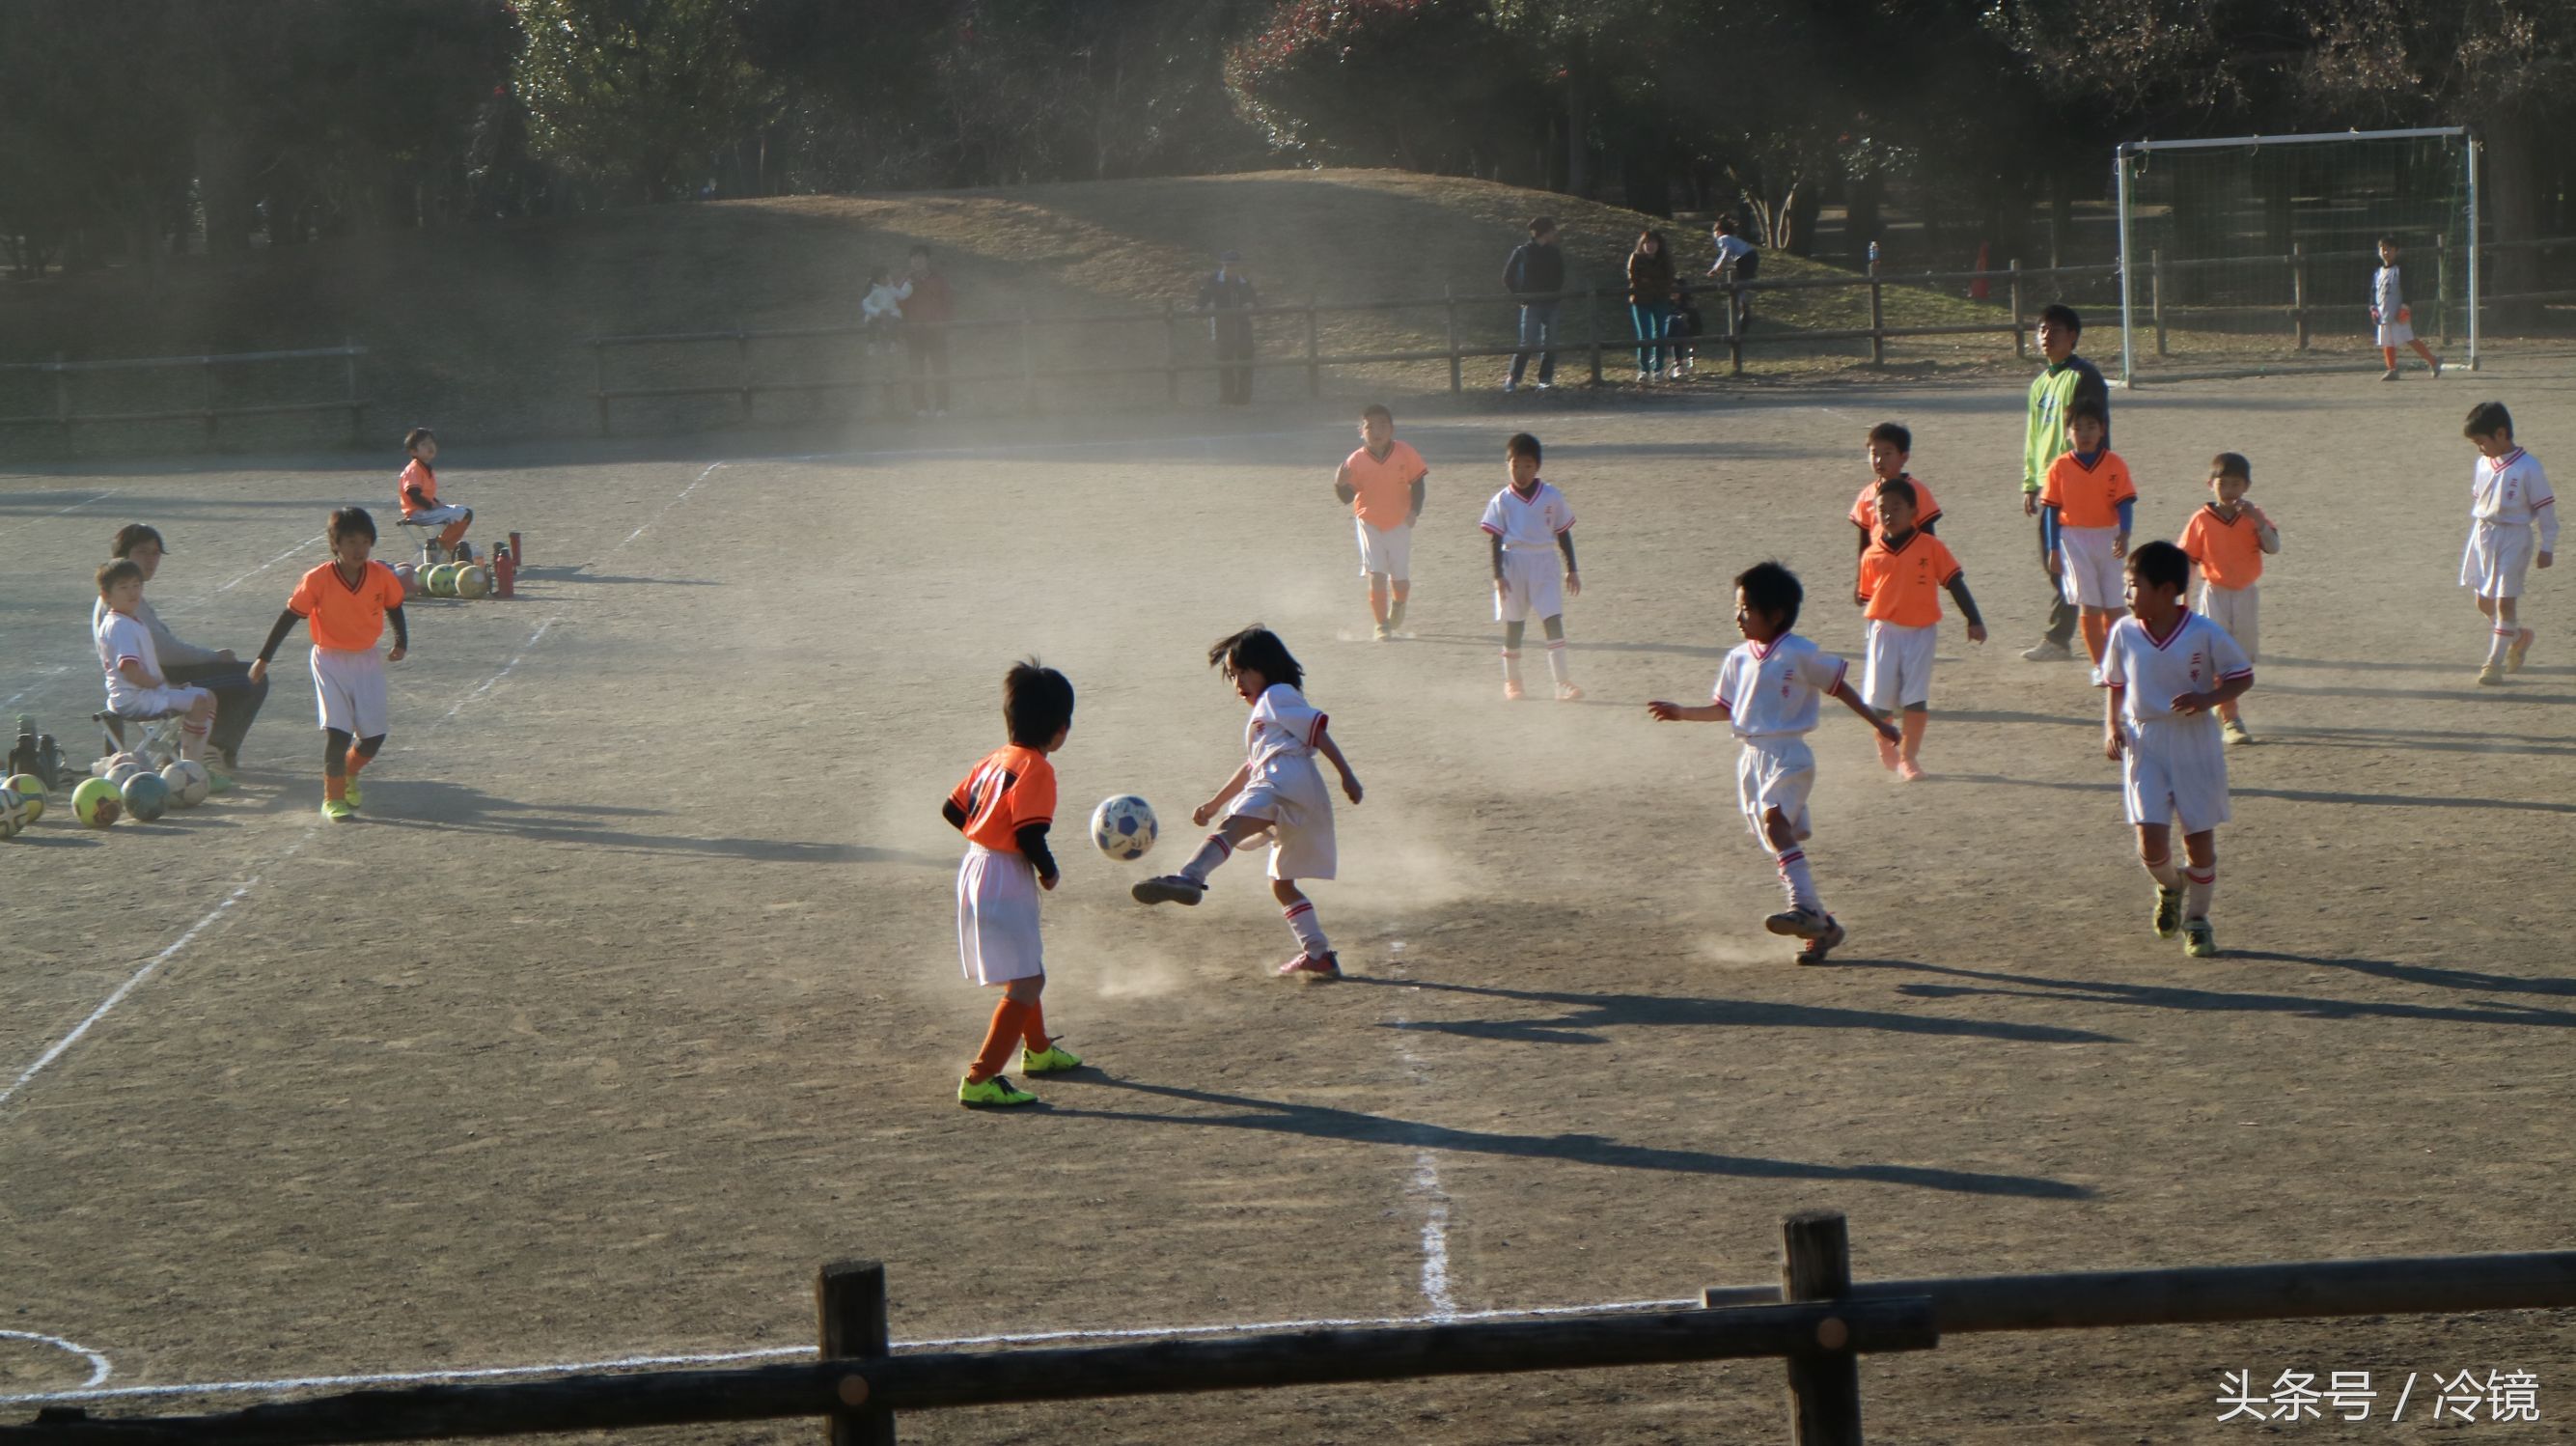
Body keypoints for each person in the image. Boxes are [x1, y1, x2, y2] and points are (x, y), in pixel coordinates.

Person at [1648, 561, 1899, 965]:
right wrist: (1682, 713)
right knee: (1776, 837)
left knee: (1775, 823)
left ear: (1776, 614)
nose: (1738, 617)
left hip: (1790, 754)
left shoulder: (1800, 653)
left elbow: (1840, 687)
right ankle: (1823, 926)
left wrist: (1878, 724)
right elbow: (1725, 709)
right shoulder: (1737, 658)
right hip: (1751, 760)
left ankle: (1802, 907)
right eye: (1738, 607)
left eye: (1746, 609)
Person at [1131, 627, 1364, 981]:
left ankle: (1190, 877)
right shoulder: (1271, 714)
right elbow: (1250, 766)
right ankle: (1318, 954)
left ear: (1267, 668)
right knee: (1281, 883)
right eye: (1233, 675)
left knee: (1233, 826)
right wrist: (1213, 803)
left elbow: (1319, 731)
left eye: (1243, 671)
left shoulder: (1277, 695)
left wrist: (1348, 774)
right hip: (1303, 793)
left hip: (1284, 779)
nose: (1237, 682)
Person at [2100, 542, 2255, 959]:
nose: (2127, 596)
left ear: (2167, 590)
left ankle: (2199, 921)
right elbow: (2114, 684)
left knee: (2198, 838)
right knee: (2150, 843)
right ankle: (2171, 885)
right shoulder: (2124, 633)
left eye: (2134, 587)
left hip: (2194, 742)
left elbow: (2242, 676)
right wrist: (2112, 725)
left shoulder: (2204, 633)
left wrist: (2208, 700)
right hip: (2144, 740)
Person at [943, 659, 1084, 1108]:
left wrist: (984, 828)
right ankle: (981, 1077)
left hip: (975, 865)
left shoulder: (994, 759)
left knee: (1024, 969)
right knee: (1027, 980)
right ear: (1060, 729)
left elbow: (952, 810)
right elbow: (1029, 833)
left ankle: (1039, 1051)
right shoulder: (1037, 769)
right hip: (1004, 874)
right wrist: (1048, 870)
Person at [247, 507, 410, 822]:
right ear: (335, 544)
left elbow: (394, 606)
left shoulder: (380, 576)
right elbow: (289, 617)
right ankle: (332, 797)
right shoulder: (317, 579)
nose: (359, 549)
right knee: (338, 733)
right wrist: (263, 659)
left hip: (367, 659)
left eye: (365, 541)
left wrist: (401, 641)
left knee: (374, 737)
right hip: (330, 660)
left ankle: (348, 773)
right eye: (350, 541)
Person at [98, 523, 263, 780]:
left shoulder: (125, 606)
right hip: (148, 688)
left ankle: (195, 757)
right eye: (143, 552)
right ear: (122, 557)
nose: (151, 560)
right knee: (253, 677)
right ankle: (208, 755)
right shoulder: (121, 614)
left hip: (150, 685)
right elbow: (160, 654)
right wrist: (211, 658)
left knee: (210, 693)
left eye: (155, 553)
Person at [1853, 480, 1985, 780]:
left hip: (1921, 633)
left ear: (1913, 510)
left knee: (1916, 698)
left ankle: (1908, 758)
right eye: (1882, 509)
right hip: (1884, 632)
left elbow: (1954, 583)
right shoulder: (1871, 555)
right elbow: (1867, 595)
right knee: (1879, 702)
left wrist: (1973, 619)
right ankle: (1885, 740)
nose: (1888, 515)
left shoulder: (1932, 547)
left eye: (1896, 508)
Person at [2019, 305, 2111, 662]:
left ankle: (2060, 637)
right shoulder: (2041, 384)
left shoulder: (2085, 376)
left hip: (2075, 484)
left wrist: (2093, 478)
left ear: (2072, 336)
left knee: (2068, 560)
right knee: (2053, 561)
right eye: (2041, 329)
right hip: (2047, 485)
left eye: (2055, 329)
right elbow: (2033, 436)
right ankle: (2096, 615)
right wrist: (2030, 482)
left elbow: (2096, 432)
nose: (2046, 335)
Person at [2175, 453, 2280, 744]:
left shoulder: (2252, 517)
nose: (2230, 491)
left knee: (2240, 657)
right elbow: (2189, 561)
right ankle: (2230, 718)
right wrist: (2183, 600)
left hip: (2246, 594)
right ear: (2210, 484)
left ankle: (2218, 706)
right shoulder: (2201, 520)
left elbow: (2273, 547)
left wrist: (2259, 521)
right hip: (2215, 594)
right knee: (2214, 654)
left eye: (2236, 484)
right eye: (2224, 484)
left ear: (2246, 486)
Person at [2460, 401, 2557, 684]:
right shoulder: (2482, 463)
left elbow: (2546, 509)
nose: (2479, 448)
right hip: (2484, 535)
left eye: (2481, 442)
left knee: (2505, 602)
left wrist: (2547, 545)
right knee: (2483, 603)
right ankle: (2519, 637)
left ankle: (2493, 663)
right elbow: (2479, 497)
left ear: (2501, 434)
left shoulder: (2529, 467)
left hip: (2515, 536)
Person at [1482, 431, 1581, 700]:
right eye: (1515, 465)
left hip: (1545, 562)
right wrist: (1497, 575)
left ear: (1537, 467)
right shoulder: (1502, 500)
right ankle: (1513, 681)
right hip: (1514, 563)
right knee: (1515, 624)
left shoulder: (1551, 496)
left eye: (1527, 466)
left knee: (1553, 620)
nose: (1521, 472)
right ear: (1508, 466)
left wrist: (1572, 568)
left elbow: (1563, 532)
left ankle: (1562, 683)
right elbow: (1496, 538)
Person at [92, 559, 218, 768]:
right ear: (107, 596)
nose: (132, 592)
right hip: (135, 699)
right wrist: (159, 686)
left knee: (206, 697)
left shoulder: (128, 621)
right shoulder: (121, 626)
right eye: (123, 587)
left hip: (139, 695)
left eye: (136, 586)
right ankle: (190, 767)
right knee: (200, 701)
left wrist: (164, 688)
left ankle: (189, 762)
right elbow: (130, 670)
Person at [2038, 397, 2135, 669]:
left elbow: (2125, 502)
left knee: (2115, 606)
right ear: (2068, 433)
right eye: (2078, 428)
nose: (2085, 434)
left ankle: (2119, 663)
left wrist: (2125, 533)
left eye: (2091, 427)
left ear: (2102, 430)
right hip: (2074, 540)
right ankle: (2100, 667)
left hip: (2109, 536)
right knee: (2090, 605)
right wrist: (2053, 550)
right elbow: (2051, 511)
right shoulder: (2060, 467)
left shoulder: (2115, 463)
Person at [1333, 403, 1428, 641]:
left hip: (1399, 522)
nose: (1376, 431)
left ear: (1392, 429)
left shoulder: (1405, 452)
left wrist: (1414, 511)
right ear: (1361, 432)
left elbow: (1418, 484)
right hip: (1369, 522)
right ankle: (1381, 624)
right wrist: (1339, 484)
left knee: (1401, 581)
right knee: (1376, 575)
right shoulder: (1355, 461)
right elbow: (1346, 498)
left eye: (1382, 425)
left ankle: (1398, 603)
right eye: (1370, 427)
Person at [1849, 421, 1943, 571]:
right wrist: (1861, 580)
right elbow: (1865, 544)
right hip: (1880, 570)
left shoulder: (1918, 491)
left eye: (1887, 453)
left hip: (1911, 569)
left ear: (1903, 457)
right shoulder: (1866, 495)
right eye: (1874, 453)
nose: (1879, 460)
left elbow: (1928, 536)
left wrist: (1925, 570)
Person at [1503, 215, 1565, 393]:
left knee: (1550, 343)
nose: (1555, 233)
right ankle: (1513, 378)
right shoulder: (1523, 251)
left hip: (1551, 303)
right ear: (1545, 232)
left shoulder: (1554, 252)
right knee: (1527, 342)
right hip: (1532, 304)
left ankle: (1545, 379)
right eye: (1552, 229)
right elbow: (1508, 277)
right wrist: (1520, 295)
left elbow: (1560, 276)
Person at [2371, 237, 2444, 381]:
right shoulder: (2378, 272)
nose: (2386, 252)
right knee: (2387, 341)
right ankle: (2392, 369)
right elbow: (2373, 291)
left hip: (2398, 312)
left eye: (2389, 249)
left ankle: (2434, 361)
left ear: (2396, 251)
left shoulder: (2400, 270)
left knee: (2409, 339)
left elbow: (2409, 290)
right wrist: (2373, 308)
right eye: (2383, 249)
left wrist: (2405, 307)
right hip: (2383, 312)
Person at [397, 428, 472, 559]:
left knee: (464, 511)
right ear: (414, 451)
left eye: (431, 442)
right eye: (423, 444)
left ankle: (442, 547)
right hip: (418, 513)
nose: (429, 446)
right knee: (463, 513)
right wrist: (432, 506)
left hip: (424, 510)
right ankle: (439, 546)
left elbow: (426, 494)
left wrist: (437, 504)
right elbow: (414, 494)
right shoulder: (414, 468)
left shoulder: (424, 467)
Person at [901, 244, 955, 417]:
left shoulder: (939, 280)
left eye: (921, 257)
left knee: (940, 368)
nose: (917, 261)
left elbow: (948, 303)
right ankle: (920, 407)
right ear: (910, 260)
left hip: (936, 331)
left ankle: (942, 407)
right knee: (916, 370)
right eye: (914, 257)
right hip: (914, 332)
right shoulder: (904, 281)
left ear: (927, 260)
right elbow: (898, 304)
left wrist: (943, 323)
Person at [1201, 249, 1258, 405]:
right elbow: (1205, 296)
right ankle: (1227, 397)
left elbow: (1253, 297)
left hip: (1242, 325)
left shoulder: (1243, 281)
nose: (1231, 268)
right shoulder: (1214, 279)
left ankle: (1244, 397)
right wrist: (1198, 306)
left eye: (1234, 265)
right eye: (1228, 265)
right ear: (1223, 265)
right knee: (1225, 360)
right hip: (1222, 326)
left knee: (1246, 359)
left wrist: (1251, 303)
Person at [1625, 230, 1676, 382]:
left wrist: (1651, 282)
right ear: (1642, 244)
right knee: (1645, 335)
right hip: (1641, 300)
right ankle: (1644, 370)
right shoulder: (1635, 258)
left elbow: (1669, 278)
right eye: (1647, 242)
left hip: (1660, 299)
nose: (1650, 245)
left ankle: (1659, 368)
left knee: (1660, 333)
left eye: (1653, 242)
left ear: (1659, 244)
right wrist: (1652, 282)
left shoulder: (1665, 259)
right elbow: (1634, 277)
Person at [1705, 215, 1759, 334]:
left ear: (1718, 232)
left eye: (1714, 232)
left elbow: (1726, 252)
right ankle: (1743, 307)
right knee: (1741, 283)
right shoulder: (1732, 238)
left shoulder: (1723, 238)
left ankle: (1744, 309)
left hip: (1745, 258)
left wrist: (1717, 268)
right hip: (1751, 256)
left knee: (1739, 286)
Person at [860, 265, 904, 355]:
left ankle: (894, 342)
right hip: (877, 314)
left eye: (887, 276)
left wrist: (908, 285)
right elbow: (866, 304)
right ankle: (871, 344)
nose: (887, 279)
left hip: (891, 313)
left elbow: (902, 295)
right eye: (884, 277)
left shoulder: (891, 288)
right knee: (871, 323)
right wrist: (878, 312)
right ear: (878, 279)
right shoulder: (872, 290)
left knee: (893, 322)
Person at [1667, 278, 1703, 380]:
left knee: (1678, 325)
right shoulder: (1667, 304)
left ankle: (1678, 364)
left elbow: (1697, 323)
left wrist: (1695, 339)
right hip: (1668, 332)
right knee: (1673, 321)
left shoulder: (1689, 305)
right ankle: (1677, 364)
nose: (1673, 292)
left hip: (1685, 332)